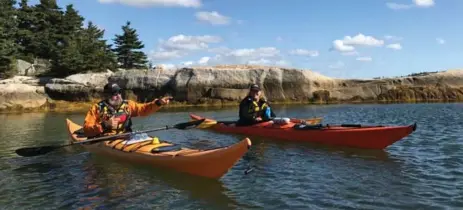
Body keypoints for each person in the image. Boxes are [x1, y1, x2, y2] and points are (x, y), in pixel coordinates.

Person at [83, 82, 172, 138]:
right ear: (107, 95)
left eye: (119, 92)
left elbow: (144, 109)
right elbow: (87, 130)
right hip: (105, 139)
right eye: (114, 94)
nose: (118, 96)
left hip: (126, 137)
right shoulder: (97, 108)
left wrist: (158, 103)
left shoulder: (128, 105)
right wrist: (104, 125)